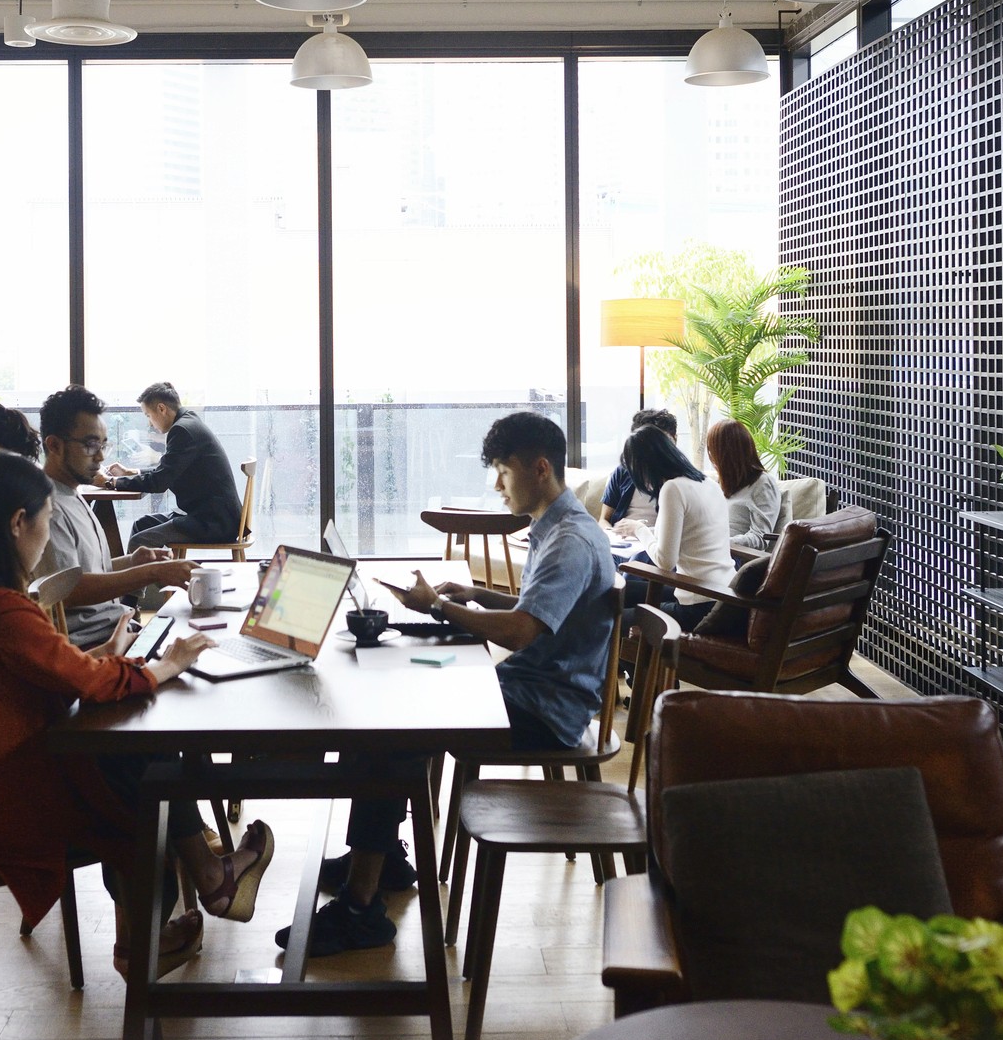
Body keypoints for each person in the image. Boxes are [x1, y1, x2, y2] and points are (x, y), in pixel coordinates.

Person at [0, 450, 276, 977]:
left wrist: (105, 655)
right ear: (17, 524)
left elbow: (30, 674)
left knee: (138, 754)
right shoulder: (0, 610)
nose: (46, 535)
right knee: (145, 769)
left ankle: (193, 896)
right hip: (5, 813)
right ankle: (157, 931)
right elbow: (87, 681)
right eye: (46, 522)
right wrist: (166, 665)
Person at [276, 411, 617, 957]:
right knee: (394, 717)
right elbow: (542, 611)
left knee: (396, 729)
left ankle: (363, 907)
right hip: (531, 690)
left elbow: (524, 631)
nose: (498, 485)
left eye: (504, 472)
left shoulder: (570, 540)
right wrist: (477, 595)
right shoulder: (560, 528)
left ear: (541, 468)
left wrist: (440, 607)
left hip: (546, 711)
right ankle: (380, 855)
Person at [38, 386, 201, 650]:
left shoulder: (71, 493)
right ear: (54, 445)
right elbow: (70, 590)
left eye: (103, 445)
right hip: (91, 645)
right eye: (91, 445)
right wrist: (151, 572)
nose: (101, 456)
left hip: (114, 629)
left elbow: (85, 572)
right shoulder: (47, 508)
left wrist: (133, 561)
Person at [101, 382, 245, 550]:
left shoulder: (182, 430)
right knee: (142, 525)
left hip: (213, 522)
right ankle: (148, 576)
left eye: (148, 415)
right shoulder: (189, 422)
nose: (149, 423)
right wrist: (132, 472)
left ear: (162, 409)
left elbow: (160, 482)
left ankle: (136, 576)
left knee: (139, 542)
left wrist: (111, 483)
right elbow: (169, 471)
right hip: (210, 515)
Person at [617, 426, 731, 631]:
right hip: (721, 594)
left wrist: (638, 530)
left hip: (697, 604)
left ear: (645, 466)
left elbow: (664, 562)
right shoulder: (708, 483)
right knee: (617, 591)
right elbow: (689, 536)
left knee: (611, 619)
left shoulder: (673, 488)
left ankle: (631, 661)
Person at [705, 418, 782, 551]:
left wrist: (720, 543)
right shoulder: (722, 482)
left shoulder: (762, 484)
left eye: (713, 452)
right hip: (713, 552)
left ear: (726, 454)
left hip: (737, 556)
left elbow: (760, 538)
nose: (711, 458)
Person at [599, 408, 679, 532]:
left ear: (674, 440)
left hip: (658, 543)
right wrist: (612, 536)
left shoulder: (681, 480)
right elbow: (604, 519)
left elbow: (679, 530)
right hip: (623, 543)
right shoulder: (623, 472)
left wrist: (640, 531)